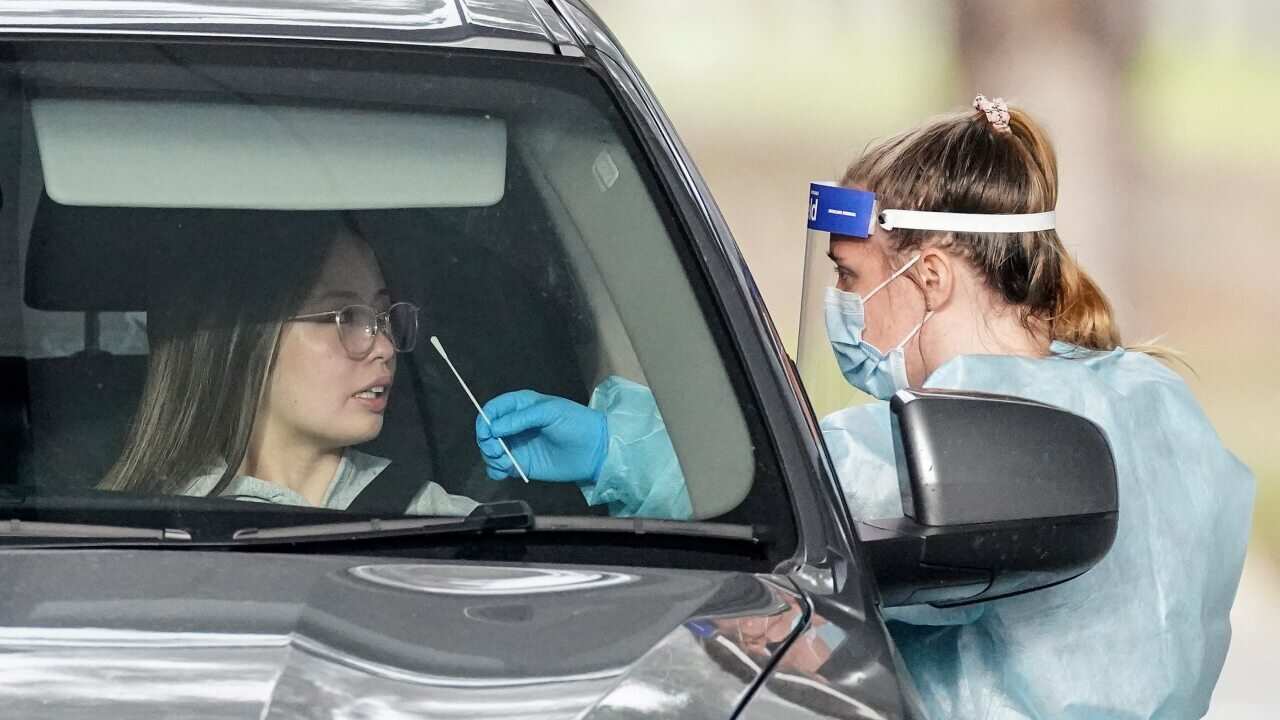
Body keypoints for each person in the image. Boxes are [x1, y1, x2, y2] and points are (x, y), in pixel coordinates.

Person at [485, 95, 1254, 718]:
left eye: (852, 277)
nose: (841, 306)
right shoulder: (1150, 399)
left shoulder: (965, 430)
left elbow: (788, 494)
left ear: (931, 278)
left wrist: (613, 448)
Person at [99, 211, 685, 517]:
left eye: (382, 316)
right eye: (342, 317)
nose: (382, 346)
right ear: (242, 341)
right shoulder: (126, 538)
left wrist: (625, 457)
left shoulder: (445, 526)